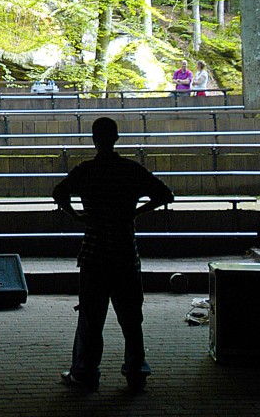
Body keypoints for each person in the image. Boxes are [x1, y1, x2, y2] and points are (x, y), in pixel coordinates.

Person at [53, 116, 175, 393]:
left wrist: (77, 216)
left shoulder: (86, 171)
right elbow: (165, 195)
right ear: (116, 138)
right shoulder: (130, 170)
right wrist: (135, 212)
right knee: (131, 317)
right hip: (124, 252)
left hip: (95, 252)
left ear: (94, 139)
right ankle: (136, 371)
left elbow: (59, 192)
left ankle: (85, 372)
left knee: (91, 318)